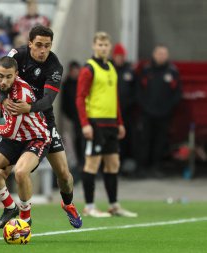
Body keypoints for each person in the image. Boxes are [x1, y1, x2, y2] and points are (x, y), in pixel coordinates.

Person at [0, 56, 67, 237]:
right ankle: (10, 207)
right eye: (0, 76)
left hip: (36, 138)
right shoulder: (2, 88)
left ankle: (25, 217)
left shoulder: (20, 94)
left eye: (9, 76)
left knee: (21, 173)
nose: (4, 80)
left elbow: (8, 130)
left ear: (16, 75)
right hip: (15, 139)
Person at [0, 25, 82, 228]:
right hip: (19, 124)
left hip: (44, 124)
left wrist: (28, 108)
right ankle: (5, 211)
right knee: (2, 170)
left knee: (64, 175)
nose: (43, 50)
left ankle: (68, 204)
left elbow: (49, 99)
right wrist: (3, 99)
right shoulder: (18, 55)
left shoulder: (54, 66)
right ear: (30, 43)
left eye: (47, 46)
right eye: (39, 45)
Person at [76, 31, 137, 218]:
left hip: (111, 123)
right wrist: (85, 124)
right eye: (99, 45)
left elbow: (114, 98)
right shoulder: (89, 68)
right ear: (94, 46)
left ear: (109, 47)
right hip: (96, 123)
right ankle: (89, 206)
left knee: (113, 164)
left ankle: (113, 204)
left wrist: (120, 122)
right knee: (92, 164)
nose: (103, 48)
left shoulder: (111, 67)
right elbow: (80, 98)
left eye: (105, 45)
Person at [137, 44, 182, 177]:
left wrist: (167, 108)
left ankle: (156, 167)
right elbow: (139, 91)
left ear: (167, 56)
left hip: (164, 114)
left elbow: (177, 93)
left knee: (160, 141)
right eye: (159, 53)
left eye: (164, 54)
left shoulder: (172, 72)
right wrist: (145, 107)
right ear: (154, 55)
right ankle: (143, 168)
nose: (161, 56)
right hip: (147, 113)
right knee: (145, 140)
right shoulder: (146, 70)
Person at [111, 43, 137, 175]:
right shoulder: (108, 69)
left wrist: (129, 104)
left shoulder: (129, 71)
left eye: (122, 56)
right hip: (110, 113)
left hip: (126, 113)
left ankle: (122, 166)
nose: (120, 58)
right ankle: (111, 167)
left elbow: (135, 90)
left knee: (125, 140)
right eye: (118, 56)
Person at [61, 61, 83, 179]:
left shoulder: (82, 84)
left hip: (81, 118)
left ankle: (81, 164)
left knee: (81, 140)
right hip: (70, 118)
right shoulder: (66, 85)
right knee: (70, 142)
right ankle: (74, 166)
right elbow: (64, 104)